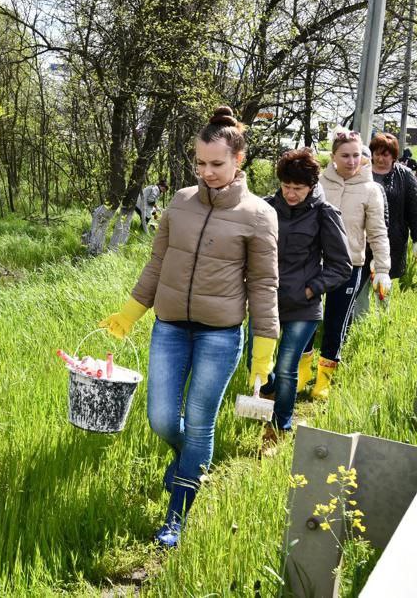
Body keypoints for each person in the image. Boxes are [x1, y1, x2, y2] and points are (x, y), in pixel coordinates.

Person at [99, 106, 279, 548]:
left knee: (200, 424)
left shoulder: (259, 215)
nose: (207, 172)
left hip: (221, 336)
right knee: (162, 419)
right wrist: (128, 314)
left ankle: (176, 514)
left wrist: (262, 357)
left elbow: (264, 287)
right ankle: (188, 462)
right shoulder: (179, 202)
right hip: (170, 328)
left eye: (216, 163)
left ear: (239, 159)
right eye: (200, 163)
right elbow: (157, 264)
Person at [255, 149, 351, 443]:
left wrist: (311, 288)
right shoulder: (266, 208)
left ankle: (280, 428)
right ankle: (269, 392)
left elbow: (342, 266)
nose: (291, 194)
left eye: (298, 188)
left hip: (303, 306)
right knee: (257, 365)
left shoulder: (325, 214)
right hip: (266, 302)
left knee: (287, 367)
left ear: (311, 186)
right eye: (286, 187)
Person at [300, 130, 390, 400]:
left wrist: (383, 269)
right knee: (307, 320)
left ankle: (324, 379)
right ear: (334, 156)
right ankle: (302, 372)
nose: (352, 161)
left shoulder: (371, 190)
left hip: (350, 265)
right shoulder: (318, 184)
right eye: (345, 156)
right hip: (315, 263)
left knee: (336, 321)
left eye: (356, 155)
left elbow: (377, 231)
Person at [367, 133, 417, 279]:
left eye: (385, 155)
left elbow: (416, 209)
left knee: (383, 282)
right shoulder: (362, 171)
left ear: (394, 156)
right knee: (362, 283)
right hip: (364, 238)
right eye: (377, 154)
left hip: (393, 238)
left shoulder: (405, 175)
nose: (380, 159)